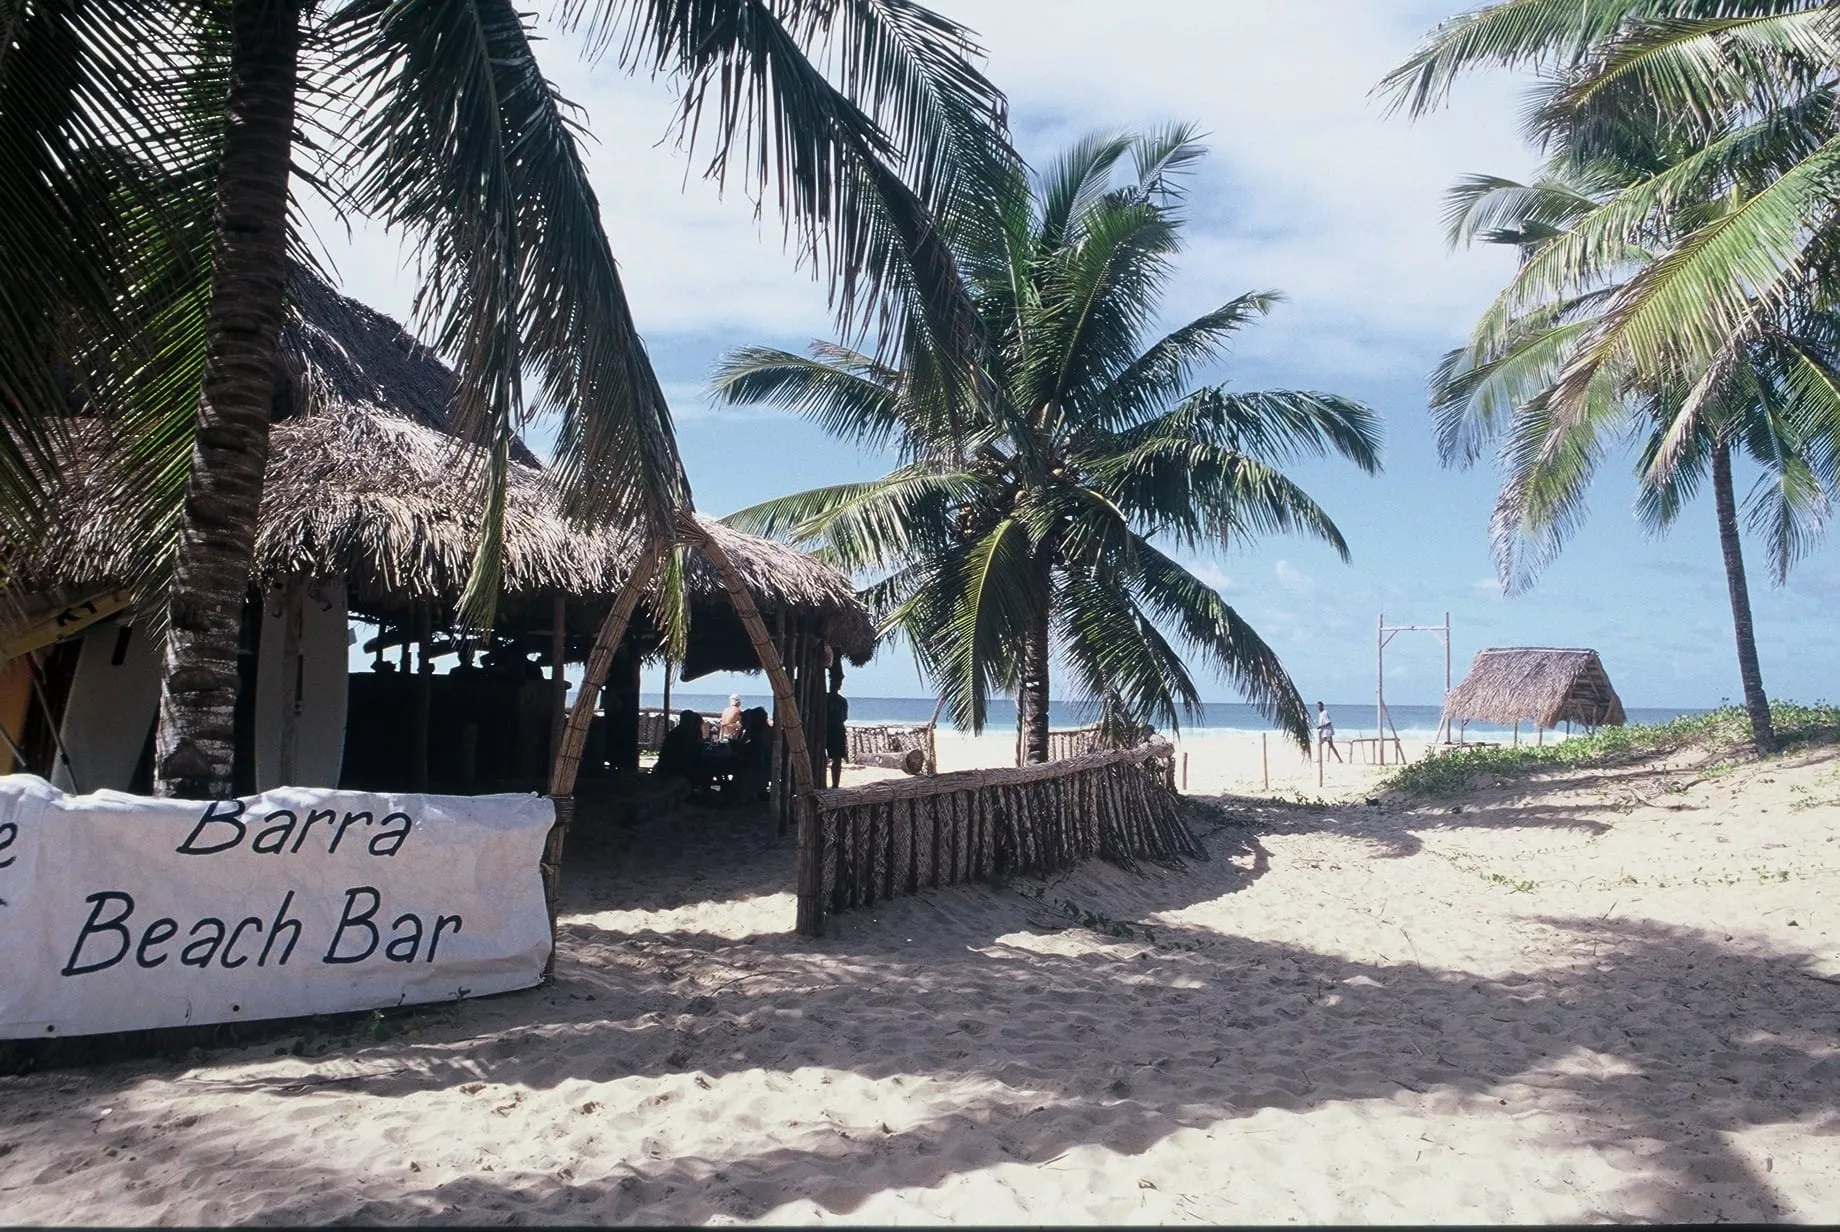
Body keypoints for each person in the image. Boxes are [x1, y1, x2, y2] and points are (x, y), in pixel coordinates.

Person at [653, 709, 705, 785]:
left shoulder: (678, 731)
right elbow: (687, 752)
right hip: (674, 766)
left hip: (670, 764)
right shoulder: (682, 733)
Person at [825, 674, 849, 788]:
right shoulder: (825, 698)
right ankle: (833, 783)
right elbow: (844, 717)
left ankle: (835, 784)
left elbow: (844, 717)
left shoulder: (841, 701)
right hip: (829, 730)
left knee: (837, 759)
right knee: (834, 759)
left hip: (835, 730)